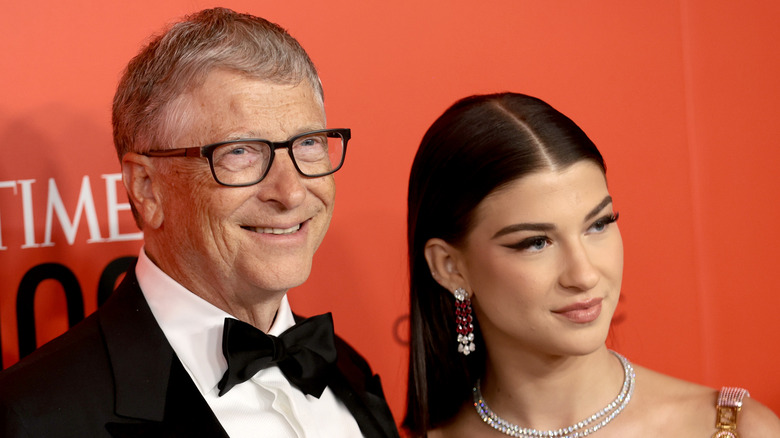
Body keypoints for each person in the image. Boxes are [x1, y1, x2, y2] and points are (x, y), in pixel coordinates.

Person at [0, 8, 399, 438]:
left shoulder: (347, 367)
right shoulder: (35, 418)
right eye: (241, 151)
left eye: (308, 144)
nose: (292, 193)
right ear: (147, 187)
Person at [403, 92, 780, 437]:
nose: (584, 275)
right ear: (450, 267)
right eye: (536, 243)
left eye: (598, 224)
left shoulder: (732, 428)